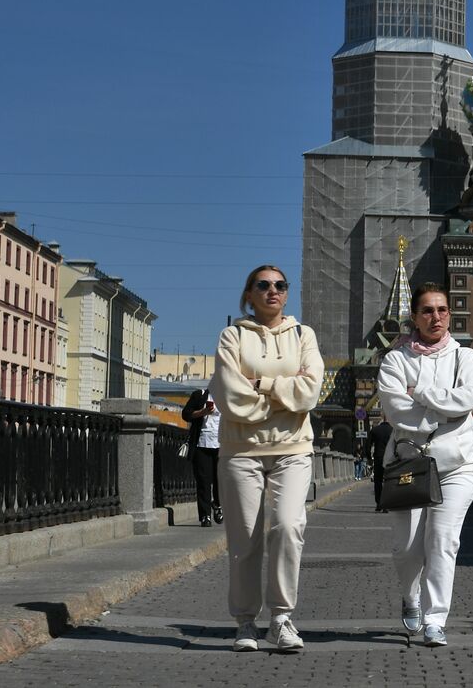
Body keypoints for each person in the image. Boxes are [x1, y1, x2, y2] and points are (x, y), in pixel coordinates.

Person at [211, 265, 324, 654]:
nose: (272, 291)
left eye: (280, 285)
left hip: (293, 449)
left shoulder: (302, 334)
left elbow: (310, 392)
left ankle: (280, 618)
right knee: (244, 540)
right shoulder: (232, 336)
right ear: (250, 293)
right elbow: (229, 395)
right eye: (263, 285)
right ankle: (245, 621)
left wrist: (263, 385)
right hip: (241, 452)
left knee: (288, 527)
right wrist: (282, 398)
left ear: (287, 293)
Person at [377, 282, 473, 649]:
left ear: (449, 315)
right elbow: (397, 412)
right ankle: (411, 597)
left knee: (442, 541)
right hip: (409, 462)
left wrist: (420, 395)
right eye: (427, 310)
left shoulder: (466, 357)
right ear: (415, 317)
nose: (435, 316)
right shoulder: (395, 359)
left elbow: (468, 398)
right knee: (407, 548)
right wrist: (446, 409)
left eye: (441, 310)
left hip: (457, 466)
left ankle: (435, 619)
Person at [181, 387, 223, 528]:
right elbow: (186, 415)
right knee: (203, 481)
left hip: (223, 446)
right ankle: (205, 515)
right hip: (201, 444)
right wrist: (203, 412)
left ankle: (217, 505)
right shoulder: (199, 395)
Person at [369, 419, 393, 512]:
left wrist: (368, 457)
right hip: (391, 458)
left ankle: (379, 504)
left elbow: (368, 445)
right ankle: (387, 503)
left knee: (378, 481)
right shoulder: (393, 430)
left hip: (378, 457)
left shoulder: (375, 430)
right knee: (389, 481)